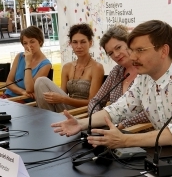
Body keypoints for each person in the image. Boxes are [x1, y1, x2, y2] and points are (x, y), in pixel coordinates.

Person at [51, 20, 172, 148]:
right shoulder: (144, 79)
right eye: (133, 50)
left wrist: (125, 140)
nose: (132, 57)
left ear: (163, 51)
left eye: (140, 50)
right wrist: (81, 123)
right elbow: (118, 109)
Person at [88, 25, 149, 128]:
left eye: (118, 47)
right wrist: (97, 119)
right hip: (110, 128)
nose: (116, 55)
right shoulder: (116, 72)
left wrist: (122, 125)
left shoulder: (147, 71)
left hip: (137, 132)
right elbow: (95, 101)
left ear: (129, 43)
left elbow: (149, 112)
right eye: (111, 53)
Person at [34, 23, 104, 112]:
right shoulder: (67, 67)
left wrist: (63, 99)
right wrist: (59, 98)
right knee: (40, 82)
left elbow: (92, 102)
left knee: (41, 80)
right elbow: (62, 93)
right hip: (65, 109)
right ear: (70, 44)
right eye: (75, 42)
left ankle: (48, 119)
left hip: (82, 111)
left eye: (83, 42)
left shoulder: (97, 67)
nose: (79, 46)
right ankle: (49, 118)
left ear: (90, 43)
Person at [0, 26, 51, 102]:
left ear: (40, 41)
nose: (29, 46)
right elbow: (9, 82)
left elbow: (30, 89)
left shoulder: (46, 64)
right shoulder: (19, 56)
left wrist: (28, 63)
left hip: (24, 102)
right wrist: (22, 91)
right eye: (25, 43)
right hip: (8, 97)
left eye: (32, 41)